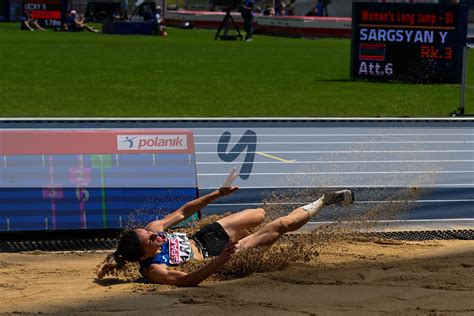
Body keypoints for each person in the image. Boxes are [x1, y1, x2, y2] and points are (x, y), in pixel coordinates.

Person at [97, 186, 354, 286]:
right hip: (216, 254)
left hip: (206, 236)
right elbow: (188, 280)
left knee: (258, 214)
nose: (155, 235)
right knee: (280, 224)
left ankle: (262, 240)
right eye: (151, 240)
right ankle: (325, 200)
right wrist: (223, 259)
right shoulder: (154, 270)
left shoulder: (153, 230)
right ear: (144, 255)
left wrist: (218, 194)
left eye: (148, 232)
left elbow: (186, 210)